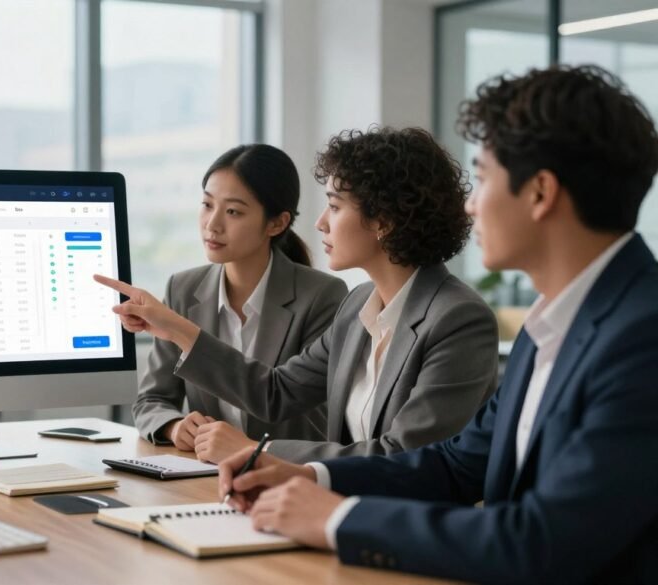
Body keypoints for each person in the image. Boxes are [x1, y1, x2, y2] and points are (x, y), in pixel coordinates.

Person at [214, 65, 658, 584]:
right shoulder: (556, 324)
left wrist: (336, 518)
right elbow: (456, 465)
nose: (470, 204)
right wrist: (311, 475)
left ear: (540, 193)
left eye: (485, 177)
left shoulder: (642, 339)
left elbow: (542, 541)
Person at [99, 127, 498, 465]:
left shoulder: (457, 319)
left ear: (384, 222)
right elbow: (276, 394)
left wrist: (258, 451)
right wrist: (174, 328)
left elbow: (403, 456)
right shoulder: (358, 305)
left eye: (335, 207)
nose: (321, 223)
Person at [132, 144, 347, 454]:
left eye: (233, 211)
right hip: (205, 475)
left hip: (285, 477)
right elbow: (152, 399)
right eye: (207, 204)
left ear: (276, 223)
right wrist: (175, 426)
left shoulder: (323, 296)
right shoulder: (183, 288)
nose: (212, 223)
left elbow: (281, 401)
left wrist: (183, 332)